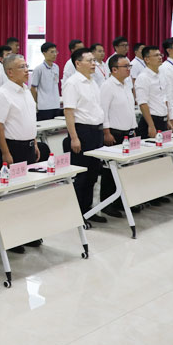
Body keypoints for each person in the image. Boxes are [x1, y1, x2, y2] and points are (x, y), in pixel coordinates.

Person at [62, 48, 106, 222]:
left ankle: (88, 210)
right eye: (90, 61)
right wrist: (74, 137)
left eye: (94, 60)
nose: (94, 63)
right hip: (82, 132)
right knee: (81, 176)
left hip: (96, 131)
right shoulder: (73, 83)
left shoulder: (93, 82)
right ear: (78, 63)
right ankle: (77, 215)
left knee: (93, 174)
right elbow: (69, 112)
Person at [99, 55, 136, 219]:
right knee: (110, 171)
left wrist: (133, 128)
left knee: (125, 169)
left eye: (129, 66)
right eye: (125, 66)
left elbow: (130, 109)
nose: (129, 69)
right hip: (114, 133)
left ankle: (121, 201)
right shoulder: (107, 86)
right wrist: (106, 132)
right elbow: (103, 110)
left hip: (128, 132)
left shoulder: (126, 84)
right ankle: (107, 204)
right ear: (114, 69)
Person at [0, 54, 39, 166]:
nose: (26, 70)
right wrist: (5, 152)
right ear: (10, 72)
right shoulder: (2, 94)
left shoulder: (26, 90)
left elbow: (29, 120)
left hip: (29, 146)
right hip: (12, 147)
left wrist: (35, 143)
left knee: (30, 177)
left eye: (26, 66)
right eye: (22, 67)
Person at [134, 46, 173, 139]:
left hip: (163, 118)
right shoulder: (143, 77)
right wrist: (151, 125)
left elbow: (164, 98)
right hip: (151, 120)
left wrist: (168, 119)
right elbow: (143, 103)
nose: (160, 57)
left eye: (160, 55)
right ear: (147, 59)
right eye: (156, 55)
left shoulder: (161, 74)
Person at [31, 42, 61, 120]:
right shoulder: (39, 69)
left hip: (56, 104)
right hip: (44, 106)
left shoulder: (56, 67)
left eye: (56, 52)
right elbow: (33, 88)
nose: (55, 54)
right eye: (52, 52)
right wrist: (36, 103)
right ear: (44, 53)